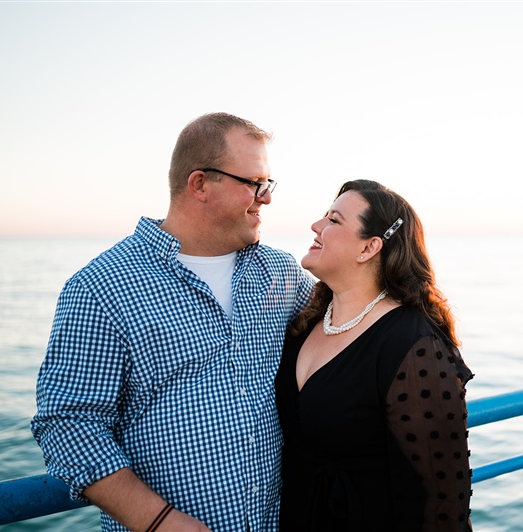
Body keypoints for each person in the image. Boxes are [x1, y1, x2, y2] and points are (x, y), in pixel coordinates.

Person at [31, 112, 314, 531]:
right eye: (254, 183)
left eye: (267, 183)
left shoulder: (280, 273)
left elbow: (347, 328)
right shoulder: (101, 286)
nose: (266, 197)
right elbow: (68, 424)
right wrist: (159, 521)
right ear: (199, 184)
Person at [275, 180, 474, 531]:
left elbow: (443, 502)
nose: (316, 225)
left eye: (333, 220)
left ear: (369, 247)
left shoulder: (414, 345)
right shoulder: (305, 322)